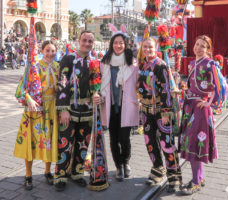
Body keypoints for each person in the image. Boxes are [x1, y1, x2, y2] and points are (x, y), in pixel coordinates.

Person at [54, 30, 100, 191]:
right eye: (84, 40)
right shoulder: (68, 58)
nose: (87, 43)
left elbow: (98, 85)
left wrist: (98, 95)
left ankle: (77, 172)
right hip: (70, 110)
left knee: (83, 143)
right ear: (78, 41)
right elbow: (63, 83)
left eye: (90, 41)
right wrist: (64, 109)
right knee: (64, 143)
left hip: (88, 110)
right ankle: (60, 175)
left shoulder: (96, 61)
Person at [137, 37, 182, 193]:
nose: (148, 49)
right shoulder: (143, 64)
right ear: (142, 48)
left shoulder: (160, 65)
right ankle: (158, 169)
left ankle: (174, 176)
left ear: (155, 48)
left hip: (161, 111)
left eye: (151, 47)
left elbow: (166, 90)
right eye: (145, 47)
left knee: (167, 144)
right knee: (150, 142)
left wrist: (165, 112)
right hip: (146, 110)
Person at [13, 40, 59, 190]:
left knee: (49, 141)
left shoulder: (58, 67)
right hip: (36, 110)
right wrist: (29, 99)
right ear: (42, 50)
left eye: (53, 51)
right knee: (31, 142)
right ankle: (28, 175)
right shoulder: (34, 67)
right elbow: (21, 89)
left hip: (52, 109)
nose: (50, 54)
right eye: (47, 50)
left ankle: (47, 172)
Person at [179, 35, 222, 195]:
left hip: (200, 110)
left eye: (203, 46)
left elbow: (221, 86)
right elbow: (194, 85)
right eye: (197, 44)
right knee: (191, 142)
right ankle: (199, 177)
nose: (198, 48)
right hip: (189, 108)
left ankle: (196, 182)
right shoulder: (192, 63)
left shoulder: (211, 64)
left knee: (195, 144)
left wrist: (209, 103)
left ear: (208, 49)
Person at [100, 32, 139, 181]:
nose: (118, 45)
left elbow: (139, 83)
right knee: (113, 139)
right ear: (111, 44)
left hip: (126, 107)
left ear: (125, 44)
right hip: (110, 107)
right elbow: (99, 83)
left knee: (125, 139)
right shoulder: (104, 63)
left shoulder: (133, 63)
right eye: (115, 42)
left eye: (121, 42)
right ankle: (118, 166)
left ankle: (126, 162)